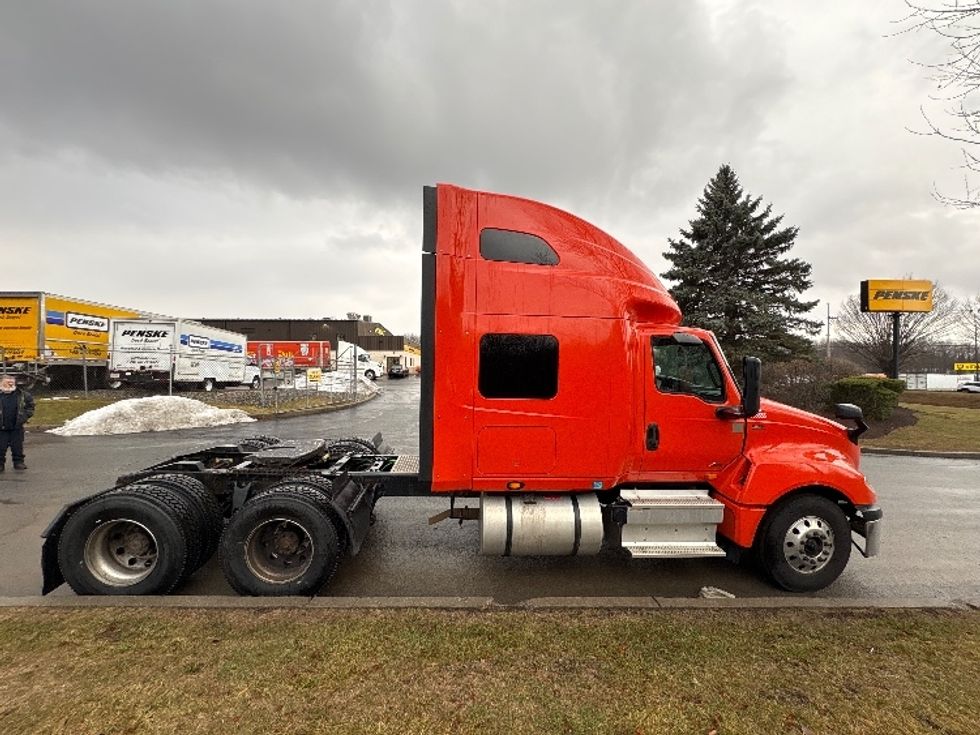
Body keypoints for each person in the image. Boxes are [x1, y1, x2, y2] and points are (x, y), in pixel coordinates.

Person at [0, 375, 34, 472]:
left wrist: (24, 417)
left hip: (16, 426)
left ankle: (18, 462)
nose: (10, 384)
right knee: (1, 446)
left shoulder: (22, 395)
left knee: (17, 446)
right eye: (7, 382)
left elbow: (30, 407)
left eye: (12, 382)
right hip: (1, 427)